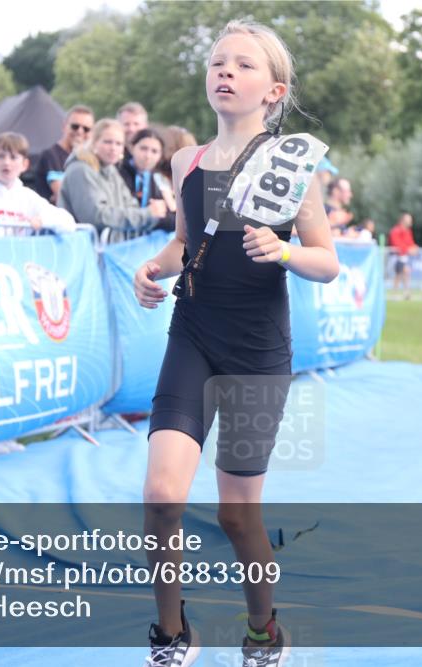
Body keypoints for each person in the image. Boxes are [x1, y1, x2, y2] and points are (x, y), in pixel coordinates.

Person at [132, 19, 339, 667]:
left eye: (243, 65)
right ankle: (172, 634)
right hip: (192, 333)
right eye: (218, 62)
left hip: (257, 349)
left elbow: (328, 261)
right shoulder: (186, 160)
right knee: (162, 495)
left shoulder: (294, 167)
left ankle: (262, 630)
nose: (225, 71)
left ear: (273, 90)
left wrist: (284, 249)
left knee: (235, 515)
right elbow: (185, 240)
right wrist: (153, 268)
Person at [58, 119, 167, 235]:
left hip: (111, 248)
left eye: (118, 143)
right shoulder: (80, 170)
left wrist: (151, 214)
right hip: (82, 248)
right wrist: (147, 215)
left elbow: (131, 206)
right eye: (108, 142)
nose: (113, 148)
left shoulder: (111, 169)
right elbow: (96, 216)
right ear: (94, 142)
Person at [0, 132, 76, 236]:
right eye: (1, 156)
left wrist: (42, 220)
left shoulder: (27, 197)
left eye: (13, 157)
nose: (7, 162)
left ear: (25, 165)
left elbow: (68, 222)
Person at [118, 127, 176, 232]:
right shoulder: (119, 173)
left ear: (160, 155)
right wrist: (151, 214)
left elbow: (175, 219)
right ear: (132, 148)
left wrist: (157, 217)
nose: (148, 156)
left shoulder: (159, 179)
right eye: (143, 148)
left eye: (154, 151)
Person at [34, 104, 95, 203]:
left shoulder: (92, 159)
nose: (80, 131)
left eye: (86, 129)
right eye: (75, 126)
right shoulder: (50, 155)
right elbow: (62, 195)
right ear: (64, 126)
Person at [388, 213, 418, 298]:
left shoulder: (408, 231)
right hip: (396, 257)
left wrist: (414, 247)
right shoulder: (395, 231)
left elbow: (410, 243)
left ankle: (405, 292)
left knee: (405, 272)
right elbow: (396, 245)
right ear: (403, 221)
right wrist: (408, 249)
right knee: (399, 274)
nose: (410, 222)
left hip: (403, 257)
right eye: (409, 220)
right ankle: (395, 293)